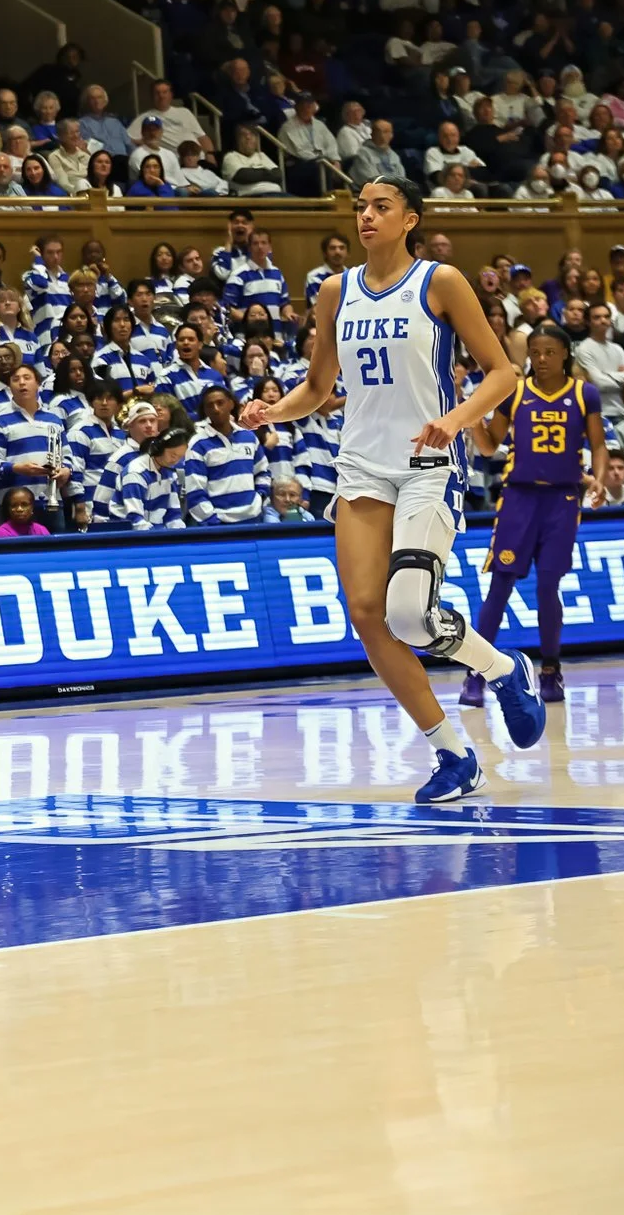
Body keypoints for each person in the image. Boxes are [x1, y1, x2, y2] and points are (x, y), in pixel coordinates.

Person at [241, 180, 538, 803]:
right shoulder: (334, 290)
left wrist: (455, 422)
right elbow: (319, 386)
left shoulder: (441, 281)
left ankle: (504, 669)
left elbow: (503, 371)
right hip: (362, 467)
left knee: (409, 614)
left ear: (410, 219)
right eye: (360, 208)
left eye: (381, 207)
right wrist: (273, 412)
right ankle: (453, 755)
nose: (367, 216)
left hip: (429, 464)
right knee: (370, 618)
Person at [460, 322, 608, 708]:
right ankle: (475, 675)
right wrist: (473, 417)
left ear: (564, 355)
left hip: (562, 501)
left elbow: (598, 445)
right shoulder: (516, 391)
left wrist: (600, 480)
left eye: (548, 352)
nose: (540, 359)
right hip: (519, 499)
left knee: (547, 587)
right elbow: (491, 446)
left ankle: (550, 670)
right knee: (501, 584)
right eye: (535, 352)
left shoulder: (584, 394)